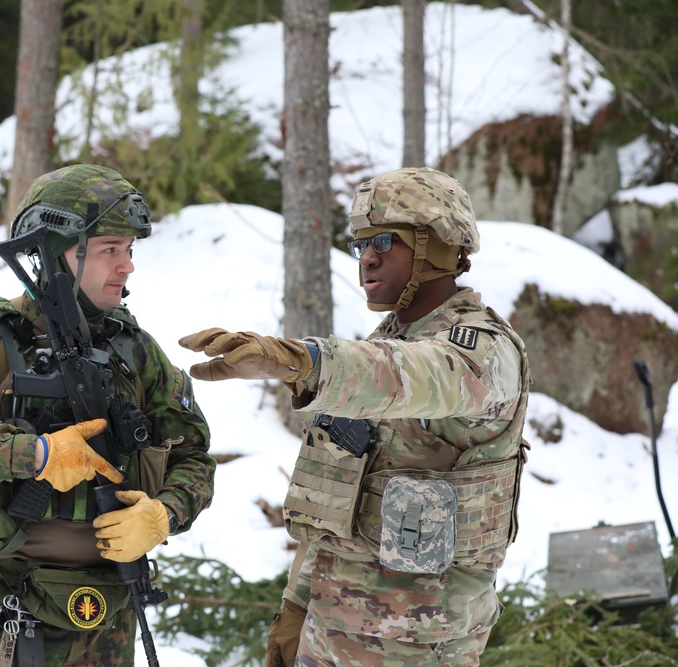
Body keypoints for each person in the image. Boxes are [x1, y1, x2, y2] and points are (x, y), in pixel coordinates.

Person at [179, 167, 530, 667]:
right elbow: (334, 513)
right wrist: (296, 610)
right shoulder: (381, 349)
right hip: (327, 635)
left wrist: (303, 360)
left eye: (385, 241)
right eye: (360, 244)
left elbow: (417, 375)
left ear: (437, 244)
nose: (367, 257)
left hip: (415, 648)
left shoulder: (485, 353)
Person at [0, 163, 215, 667]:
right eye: (110, 249)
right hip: (4, 613)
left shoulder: (136, 352)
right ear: (53, 253)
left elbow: (194, 457)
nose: (127, 266)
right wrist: (33, 455)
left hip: (111, 612)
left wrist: (163, 515)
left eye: (130, 250)